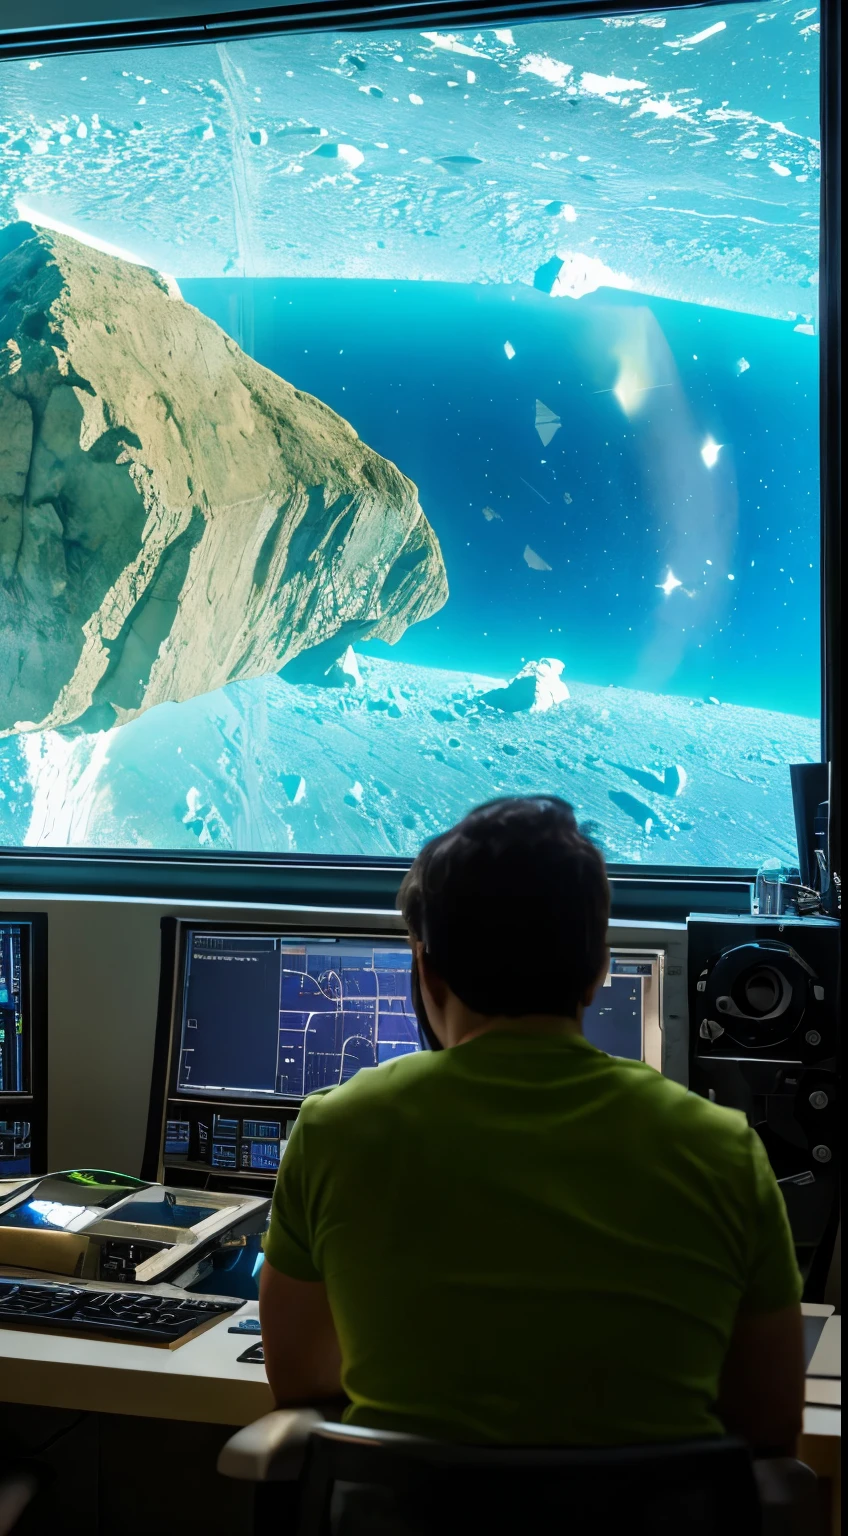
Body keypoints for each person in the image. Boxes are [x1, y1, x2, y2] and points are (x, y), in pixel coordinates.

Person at [260, 795, 804, 1452]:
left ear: (424, 970)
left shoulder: (332, 1132)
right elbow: (768, 1431)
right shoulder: (724, 1151)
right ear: (599, 970)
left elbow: (301, 1384)